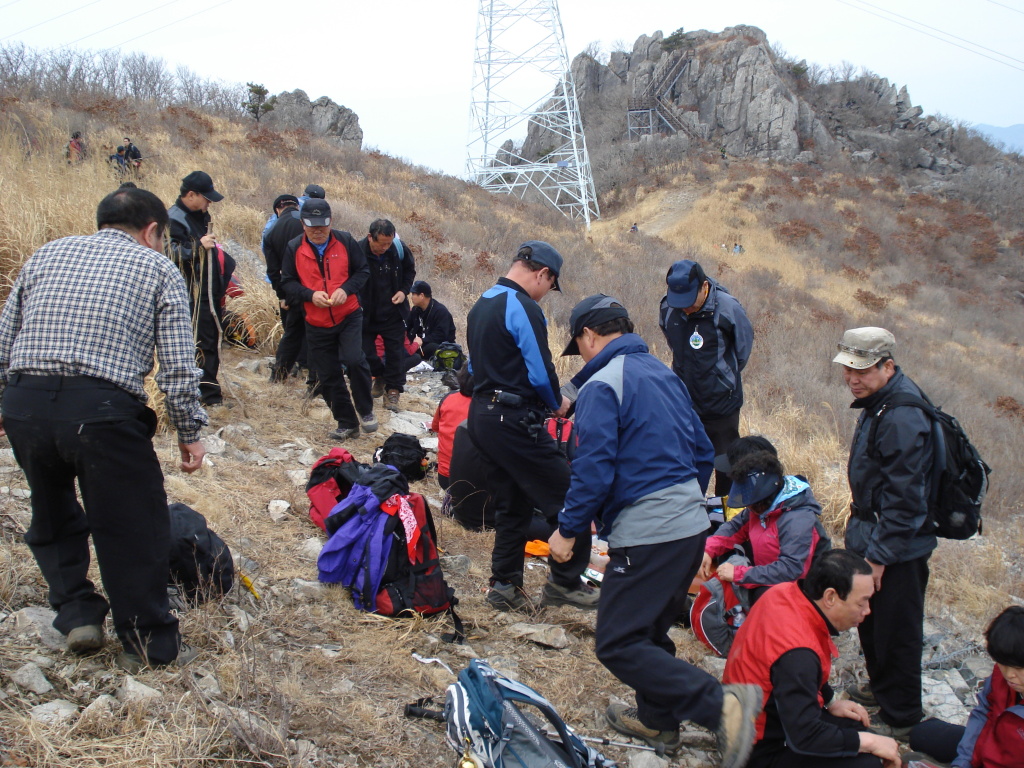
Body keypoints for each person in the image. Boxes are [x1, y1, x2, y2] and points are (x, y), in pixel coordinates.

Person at [548, 294, 761, 767]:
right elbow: (704, 448)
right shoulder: (665, 375)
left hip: (649, 533)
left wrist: (568, 529)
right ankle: (658, 721)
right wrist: (686, 503)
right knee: (648, 629)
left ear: (589, 336)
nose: (581, 354)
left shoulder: (603, 385)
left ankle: (722, 706)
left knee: (619, 642)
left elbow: (593, 467)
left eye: (579, 345)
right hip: (687, 525)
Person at [0, 186, 207, 672]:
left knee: (51, 515)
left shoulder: (47, 253)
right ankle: (149, 642)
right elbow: (177, 365)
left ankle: (76, 613)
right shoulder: (157, 268)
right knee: (133, 525)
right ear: (152, 230)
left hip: (26, 403)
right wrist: (189, 430)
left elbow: (5, 336)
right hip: (102, 411)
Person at [466, 241, 596, 611]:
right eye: (549, 286)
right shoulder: (521, 306)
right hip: (514, 420)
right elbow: (540, 369)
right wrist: (558, 403)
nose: (545, 295)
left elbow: (473, 368)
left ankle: (504, 586)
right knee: (570, 496)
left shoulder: (483, 302)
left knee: (513, 503)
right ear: (543, 274)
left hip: (482, 415)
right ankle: (566, 584)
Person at [834, 327, 939, 738]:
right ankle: (882, 690)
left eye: (861, 371)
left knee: (897, 627)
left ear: (887, 366)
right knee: (871, 619)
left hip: (897, 545)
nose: (852, 379)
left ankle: (904, 716)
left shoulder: (901, 416)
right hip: (872, 532)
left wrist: (878, 558)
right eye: (847, 370)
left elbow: (906, 501)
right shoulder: (879, 403)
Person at [723, 550, 901, 768]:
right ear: (830, 597)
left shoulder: (783, 593)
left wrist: (830, 701)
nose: (867, 611)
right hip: (755, 751)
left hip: (748, 719)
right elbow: (804, 736)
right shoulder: (797, 653)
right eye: (861, 603)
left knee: (855, 728)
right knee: (867, 761)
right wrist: (870, 742)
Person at [281, 199, 377, 441]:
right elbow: (288, 283)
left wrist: (346, 289)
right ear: (302, 224)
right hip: (316, 321)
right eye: (312, 226)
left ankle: (365, 410)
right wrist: (310, 295)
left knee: (355, 360)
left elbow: (363, 270)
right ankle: (347, 423)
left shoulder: (345, 241)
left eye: (322, 226)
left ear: (330, 221)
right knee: (328, 376)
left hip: (349, 314)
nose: (318, 231)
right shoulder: (294, 248)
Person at [659, 259, 753, 496]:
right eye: (679, 302)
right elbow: (672, 341)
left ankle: (726, 517)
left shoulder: (728, 308)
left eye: (690, 302)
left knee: (727, 465)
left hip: (721, 403)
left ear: (704, 288)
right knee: (685, 464)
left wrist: (720, 378)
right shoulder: (669, 307)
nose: (685, 308)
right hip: (684, 403)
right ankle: (690, 517)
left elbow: (742, 350)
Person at [700, 436, 831, 600]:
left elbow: (791, 569)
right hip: (770, 583)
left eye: (753, 504)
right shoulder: (760, 508)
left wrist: (741, 574)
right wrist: (707, 549)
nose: (749, 509)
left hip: (799, 595)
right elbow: (734, 528)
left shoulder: (797, 518)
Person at [905, 606, 1024, 768]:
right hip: (993, 746)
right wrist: (963, 763)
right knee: (923, 733)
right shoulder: (999, 678)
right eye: (1003, 664)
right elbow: (982, 716)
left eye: (1018, 668)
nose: (1009, 674)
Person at [167, 170, 231, 406]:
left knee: (210, 339)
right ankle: (206, 396)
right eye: (206, 198)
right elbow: (167, 253)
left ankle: (209, 392)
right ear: (191, 195)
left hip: (207, 289)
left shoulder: (198, 214)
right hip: (191, 293)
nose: (209, 203)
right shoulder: (173, 219)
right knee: (201, 342)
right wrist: (197, 246)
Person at [358, 219, 416, 412]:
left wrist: (404, 290)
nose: (384, 247)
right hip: (367, 313)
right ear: (370, 237)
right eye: (380, 243)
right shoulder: (357, 252)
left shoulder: (399, 250)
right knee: (365, 352)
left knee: (395, 353)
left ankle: (393, 391)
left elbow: (410, 271)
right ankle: (379, 375)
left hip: (393, 310)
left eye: (388, 243)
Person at [262, 194, 312, 384]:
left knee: (291, 331)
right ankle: (309, 371)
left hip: (290, 290)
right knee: (313, 329)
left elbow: (273, 270)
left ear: (277, 209)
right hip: (313, 288)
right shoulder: (305, 223)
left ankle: (279, 374)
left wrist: (282, 295)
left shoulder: (271, 231)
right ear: (297, 206)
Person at [432, 365, 472, 490]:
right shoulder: (487, 406)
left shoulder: (448, 398)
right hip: (473, 479)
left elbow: (435, 427)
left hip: (445, 476)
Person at [407, 280, 456, 364]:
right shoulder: (415, 310)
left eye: (413, 294)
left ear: (421, 295)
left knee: (432, 347)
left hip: (440, 346)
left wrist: (423, 340)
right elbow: (407, 328)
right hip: (420, 345)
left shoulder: (440, 312)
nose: (411, 297)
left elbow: (441, 336)